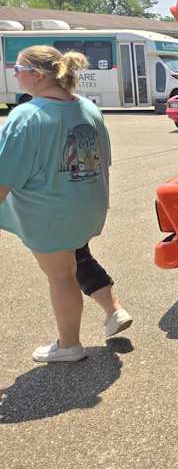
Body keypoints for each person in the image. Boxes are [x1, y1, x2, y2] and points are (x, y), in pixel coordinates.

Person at [0, 46, 132, 363]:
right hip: (86, 207)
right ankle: (111, 311)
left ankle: (69, 345)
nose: (14, 73)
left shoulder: (27, 116)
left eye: (17, 68)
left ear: (39, 75)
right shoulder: (87, 108)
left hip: (50, 216)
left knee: (61, 276)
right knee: (76, 261)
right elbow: (102, 161)